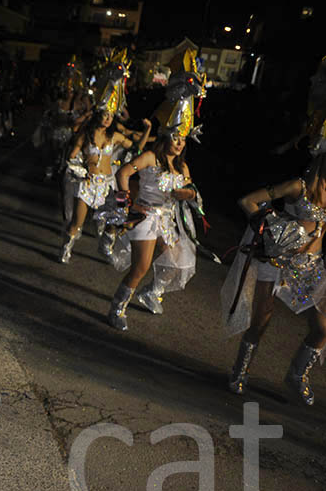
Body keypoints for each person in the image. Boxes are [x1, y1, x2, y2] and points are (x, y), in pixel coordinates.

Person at [221, 56, 326, 406]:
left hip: (309, 271)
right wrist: (273, 231)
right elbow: (248, 201)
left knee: (322, 329)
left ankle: (296, 375)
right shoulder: (299, 186)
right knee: (259, 325)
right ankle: (240, 371)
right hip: (279, 264)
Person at [106, 51, 205, 331]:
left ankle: (152, 292)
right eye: (175, 137)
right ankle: (117, 307)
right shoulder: (151, 157)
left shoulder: (182, 168)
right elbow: (124, 172)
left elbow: (188, 192)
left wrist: (188, 195)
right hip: (146, 216)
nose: (179, 143)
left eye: (183, 139)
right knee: (140, 267)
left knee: (178, 262)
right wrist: (126, 203)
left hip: (167, 220)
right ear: (166, 136)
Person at [59, 50, 143, 264]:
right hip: (88, 185)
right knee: (77, 223)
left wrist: (149, 133)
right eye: (104, 115)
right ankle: (66, 248)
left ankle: (106, 245)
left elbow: (135, 149)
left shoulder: (114, 135)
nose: (107, 119)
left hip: (108, 185)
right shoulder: (86, 134)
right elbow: (72, 158)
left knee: (117, 218)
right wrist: (81, 172)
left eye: (110, 116)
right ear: (98, 114)